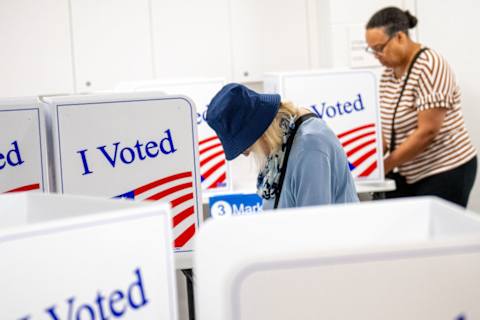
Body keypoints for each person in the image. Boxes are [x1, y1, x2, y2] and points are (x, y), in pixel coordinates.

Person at [365, 7, 477, 207]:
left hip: (445, 168)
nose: (377, 55)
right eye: (372, 50)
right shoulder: (388, 75)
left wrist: (385, 165)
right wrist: (366, 165)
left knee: (441, 233)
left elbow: (427, 131)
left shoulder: (430, 65)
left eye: (379, 48)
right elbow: (385, 130)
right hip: (410, 173)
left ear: (399, 37)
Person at [206, 83, 358, 210]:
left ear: (261, 131)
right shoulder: (280, 151)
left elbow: (313, 230)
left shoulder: (310, 147)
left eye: (246, 145)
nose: (246, 154)